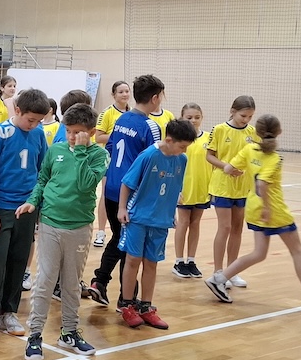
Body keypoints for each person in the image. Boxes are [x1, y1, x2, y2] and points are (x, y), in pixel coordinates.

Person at [206, 115, 301, 314]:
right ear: (279, 132)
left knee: (259, 253)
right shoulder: (275, 158)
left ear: (256, 132)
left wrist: (239, 171)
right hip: (273, 210)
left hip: (253, 207)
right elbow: (262, 183)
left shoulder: (248, 149)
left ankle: (219, 278)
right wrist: (267, 207)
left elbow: (228, 168)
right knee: (297, 251)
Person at [18, 104, 109, 360]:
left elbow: (86, 184)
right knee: (45, 280)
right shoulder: (56, 150)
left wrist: (80, 151)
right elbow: (43, 179)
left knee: (71, 283)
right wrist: (33, 201)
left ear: (91, 132)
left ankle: (69, 332)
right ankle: (35, 334)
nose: (71, 136)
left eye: (77, 132)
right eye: (68, 131)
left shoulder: (99, 155)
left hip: (79, 227)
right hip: (50, 223)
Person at [0, 88, 51, 340]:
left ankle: (8, 311)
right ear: (17, 110)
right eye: (30, 120)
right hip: (0, 207)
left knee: (19, 261)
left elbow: (42, 172)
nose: (34, 125)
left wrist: (37, 204)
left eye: (38, 121)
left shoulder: (38, 134)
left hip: (27, 208)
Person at [88, 75, 165, 308]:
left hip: (112, 187)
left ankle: (101, 283)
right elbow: (154, 164)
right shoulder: (150, 126)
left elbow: (111, 148)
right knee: (130, 245)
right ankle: (125, 298)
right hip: (131, 193)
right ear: (155, 98)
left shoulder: (122, 119)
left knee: (119, 238)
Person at [116, 119, 197, 330]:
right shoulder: (149, 155)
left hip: (161, 220)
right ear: (169, 140)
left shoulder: (182, 160)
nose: (184, 151)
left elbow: (174, 187)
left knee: (151, 262)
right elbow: (127, 183)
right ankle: (127, 305)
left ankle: (146, 307)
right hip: (138, 217)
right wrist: (122, 208)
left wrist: (171, 212)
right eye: (182, 146)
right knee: (133, 260)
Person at [206, 95, 257, 288]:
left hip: (243, 187)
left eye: (250, 116)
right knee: (225, 227)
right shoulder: (219, 129)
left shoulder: (253, 132)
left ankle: (232, 272)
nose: (246, 120)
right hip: (222, 186)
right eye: (243, 116)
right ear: (233, 111)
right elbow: (209, 156)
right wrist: (227, 167)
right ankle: (218, 272)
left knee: (237, 228)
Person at [172, 104, 212, 278]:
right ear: (182, 118)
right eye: (189, 118)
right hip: (184, 189)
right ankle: (178, 261)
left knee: (195, 223)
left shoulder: (209, 138)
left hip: (202, 189)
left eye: (197, 117)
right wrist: (175, 189)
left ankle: (191, 260)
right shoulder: (179, 141)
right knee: (183, 222)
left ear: (202, 117)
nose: (193, 121)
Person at [94, 80, 131, 246]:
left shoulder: (133, 113)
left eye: (127, 91)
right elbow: (98, 137)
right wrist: (120, 135)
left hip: (128, 161)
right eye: (121, 92)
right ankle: (101, 232)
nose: (124, 94)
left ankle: (124, 229)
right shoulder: (107, 113)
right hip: (110, 160)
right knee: (106, 193)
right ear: (113, 95)